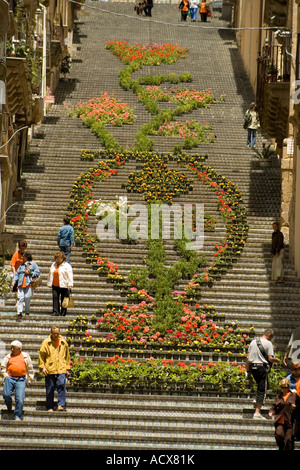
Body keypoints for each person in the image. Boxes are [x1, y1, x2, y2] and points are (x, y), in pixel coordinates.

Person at [246, 328, 280, 419]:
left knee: (261, 384)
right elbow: (270, 358)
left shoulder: (253, 342)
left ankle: (256, 399)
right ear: (270, 336)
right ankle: (257, 413)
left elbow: (247, 357)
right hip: (261, 367)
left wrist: (248, 370)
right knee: (262, 390)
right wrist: (276, 360)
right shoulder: (268, 343)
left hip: (253, 367)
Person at [39, 326, 71, 411]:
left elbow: (67, 356)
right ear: (51, 333)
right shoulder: (46, 342)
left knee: (61, 384)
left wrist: (67, 368)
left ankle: (60, 405)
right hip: (50, 368)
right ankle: (49, 406)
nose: (56, 335)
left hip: (61, 367)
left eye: (57, 333)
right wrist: (42, 367)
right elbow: (41, 356)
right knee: (50, 387)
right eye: (54, 333)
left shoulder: (63, 342)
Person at [1, 340, 34, 420]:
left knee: (20, 398)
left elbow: (30, 368)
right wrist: (6, 376)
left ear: (19, 349)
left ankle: (17, 415)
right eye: (11, 347)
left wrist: (30, 379)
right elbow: (3, 367)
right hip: (10, 378)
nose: (12, 349)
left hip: (21, 379)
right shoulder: (8, 356)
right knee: (6, 394)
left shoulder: (25, 356)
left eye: (14, 348)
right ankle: (9, 404)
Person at [269, 378, 296, 451]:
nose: (284, 389)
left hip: (289, 420)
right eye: (282, 387)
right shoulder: (278, 397)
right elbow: (274, 406)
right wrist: (271, 412)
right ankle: (281, 447)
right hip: (280, 420)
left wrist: (294, 407)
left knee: (289, 439)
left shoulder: (293, 396)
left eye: (285, 387)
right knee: (278, 435)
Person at [12, 251, 40, 317]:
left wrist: (30, 273)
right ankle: (19, 311)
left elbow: (37, 272)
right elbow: (17, 274)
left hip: (29, 283)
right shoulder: (21, 265)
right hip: (21, 284)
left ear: (27, 257)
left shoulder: (33, 264)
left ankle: (27, 311)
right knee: (20, 297)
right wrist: (14, 281)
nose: (22, 258)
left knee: (27, 297)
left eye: (23, 256)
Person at [47, 252, 73, 316]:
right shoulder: (53, 265)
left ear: (62, 258)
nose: (58, 260)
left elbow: (70, 275)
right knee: (55, 297)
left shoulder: (67, 266)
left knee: (64, 299)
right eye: (57, 258)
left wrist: (70, 283)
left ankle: (63, 312)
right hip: (55, 284)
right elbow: (50, 274)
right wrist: (49, 282)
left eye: (59, 258)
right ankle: (56, 311)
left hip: (64, 284)